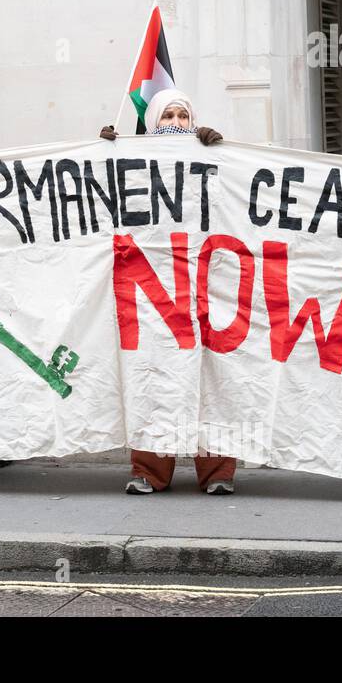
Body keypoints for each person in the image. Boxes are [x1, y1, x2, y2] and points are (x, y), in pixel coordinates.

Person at [111, 88, 236, 496]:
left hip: (206, 286)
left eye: (184, 115)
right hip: (153, 294)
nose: (178, 122)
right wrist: (104, 155)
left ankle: (217, 472)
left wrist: (223, 151)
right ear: (153, 123)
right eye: (169, 114)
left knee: (213, 380)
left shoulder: (210, 157)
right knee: (153, 376)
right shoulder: (132, 164)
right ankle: (149, 471)